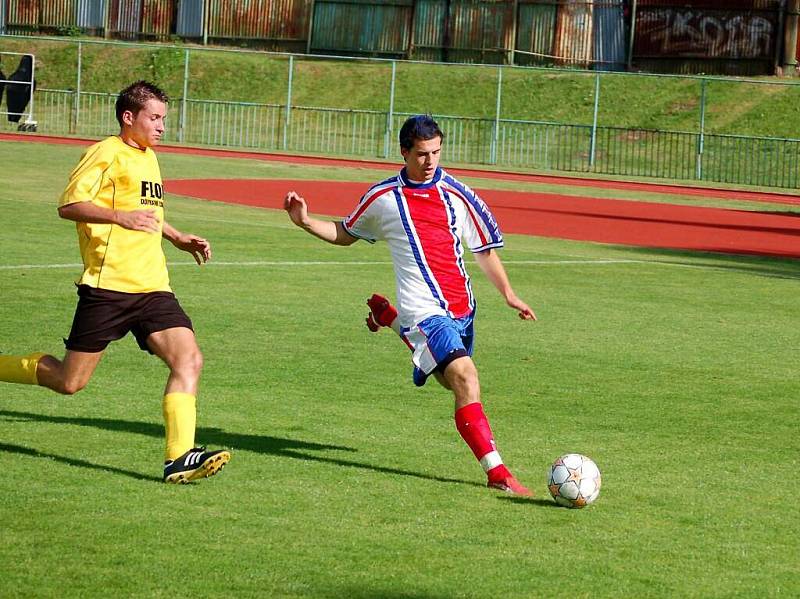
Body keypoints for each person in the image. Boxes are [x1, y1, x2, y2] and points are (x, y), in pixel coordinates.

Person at [284, 114, 536, 496]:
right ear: (404, 152)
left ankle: (393, 322)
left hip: (461, 309)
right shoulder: (383, 198)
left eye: (436, 152)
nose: (430, 160)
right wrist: (304, 221)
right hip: (425, 311)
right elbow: (345, 233)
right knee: (466, 378)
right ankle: (498, 472)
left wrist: (509, 294)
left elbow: (484, 251)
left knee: (449, 382)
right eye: (421, 154)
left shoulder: (459, 195)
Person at [0, 81, 230, 484]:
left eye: (163, 119)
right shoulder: (105, 152)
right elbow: (69, 205)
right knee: (69, 382)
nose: (161, 127)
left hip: (153, 286)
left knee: (189, 359)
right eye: (154, 118)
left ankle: (179, 458)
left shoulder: (149, 157)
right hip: (108, 288)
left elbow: (147, 211)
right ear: (129, 117)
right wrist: (119, 217)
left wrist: (176, 236)